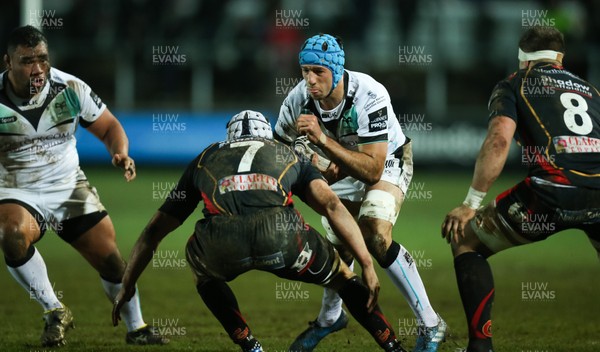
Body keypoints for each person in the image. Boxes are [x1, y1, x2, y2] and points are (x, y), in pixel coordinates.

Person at [112, 110, 410, 352]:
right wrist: (367, 263)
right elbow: (332, 206)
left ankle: (249, 344)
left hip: (222, 246)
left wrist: (127, 284)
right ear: (267, 133)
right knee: (344, 278)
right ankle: (392, 345)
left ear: (228, 137)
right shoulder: (285, 151)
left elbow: (154, 231)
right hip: (282, 239)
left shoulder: (205, 157)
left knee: (198, 260)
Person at [274, 33, 446, 352]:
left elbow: (372, 170)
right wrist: (302, 162)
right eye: (304, 70)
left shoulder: (369, 94)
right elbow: (278, 151)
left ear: (336, 70)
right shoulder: (297, 100)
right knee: (340, 249)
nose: (309, 79)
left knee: (375, 235)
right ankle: (331, 318)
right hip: (341, 166)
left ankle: (431, 323)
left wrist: (323, 144)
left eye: (318, 71)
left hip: (388, 160)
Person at [0, 25, 168, 347]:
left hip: (67, 187)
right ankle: (53, 310)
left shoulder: (70, 88)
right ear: (8, 61)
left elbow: (109, 127)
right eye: (26, 61)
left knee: (111, 260)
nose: (37, 69)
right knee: (11, 233)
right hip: (15, 189)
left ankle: (138, 329)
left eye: (42, 59)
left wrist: (120, 153)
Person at [441, 26, 600, 352]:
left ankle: (480, 346)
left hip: (552, 190)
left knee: (465, 241)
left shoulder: (516, 83)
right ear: (561, 60)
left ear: (523, 60)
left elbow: (499, 140)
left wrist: (471, 202)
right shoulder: (592, 91)